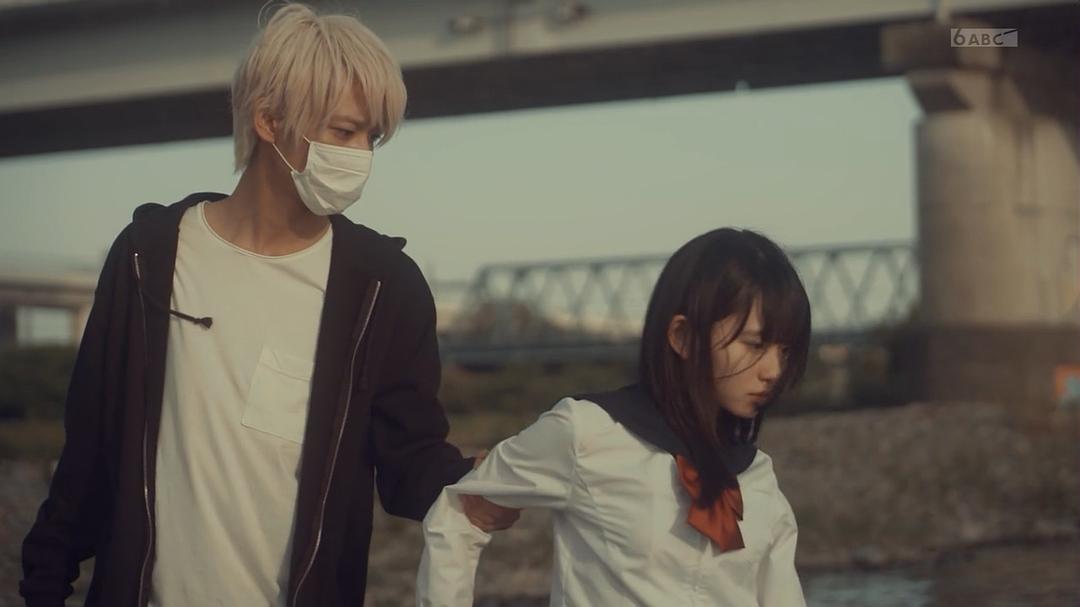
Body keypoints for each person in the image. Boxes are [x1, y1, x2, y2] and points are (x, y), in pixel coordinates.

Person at [20, 4, 515, 606]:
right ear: (268, 121)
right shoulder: (149, 257)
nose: (361, 154)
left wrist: (474, 485)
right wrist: (43, 588)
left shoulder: (384, 287)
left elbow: (408, 460)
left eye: (373, 137)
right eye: (343, 131)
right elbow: (89, 453)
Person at [417, 228, 812, 606]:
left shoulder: (758, 478)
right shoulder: (588, 432)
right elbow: (458, 515)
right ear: (683, 337)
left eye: (785, 351)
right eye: (755, 344)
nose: (774, 370)